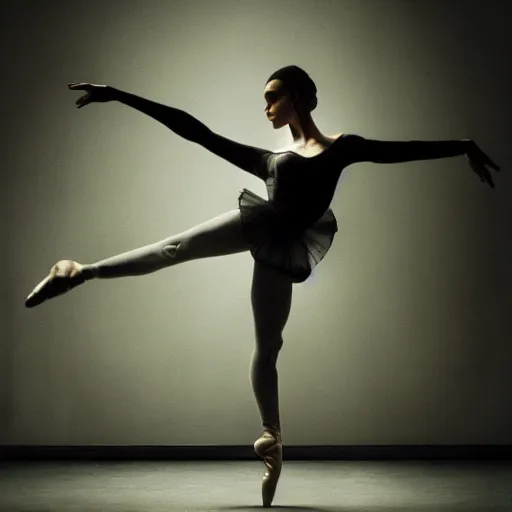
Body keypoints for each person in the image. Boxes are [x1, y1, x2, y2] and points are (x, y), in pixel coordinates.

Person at [24, 65, 500, 508]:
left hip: (283, 247)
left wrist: (462, 145)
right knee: (175, 248)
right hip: (260, 224)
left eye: (273, 98)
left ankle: (272, 439)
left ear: (297, 97)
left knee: (268, 346)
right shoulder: (271, 159)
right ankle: (78, 271)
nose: (267, 107)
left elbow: (398, 150)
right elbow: (195, 131)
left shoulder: (342, 147)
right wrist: (120, 96)